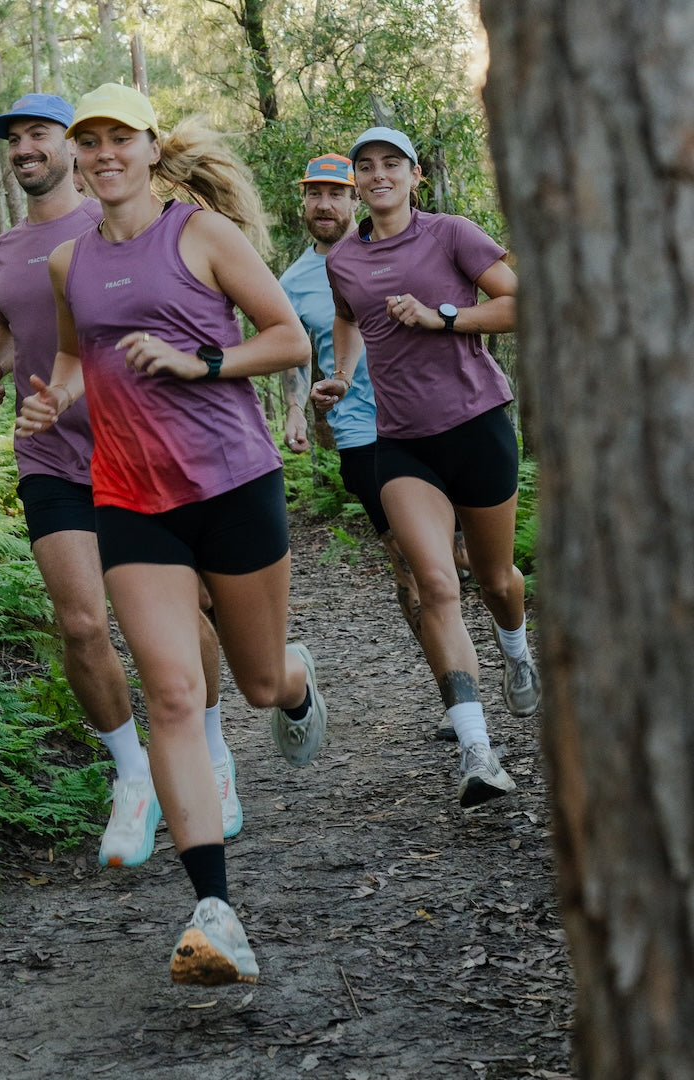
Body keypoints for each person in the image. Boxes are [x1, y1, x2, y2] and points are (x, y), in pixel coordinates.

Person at [16, 84, 323, 985]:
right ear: (77, 159)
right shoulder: (69, 263)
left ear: (152, 148)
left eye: (121, 137)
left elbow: (289, 339)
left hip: (233, 484)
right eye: (90, 141)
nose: (104, 153)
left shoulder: (202, 234)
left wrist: (202, 363)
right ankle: (214, 913)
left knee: (257, 683)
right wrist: (53, 397)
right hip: (129, 499)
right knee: (176, 698)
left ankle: (298, 680)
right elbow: (75, 357)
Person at [0, 93, 239, 869]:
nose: (24, 148)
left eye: (38, 134)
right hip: (51, 453)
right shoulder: (4, 247)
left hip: (141, 450)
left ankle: (212, 754)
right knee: (82, 623)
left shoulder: (120, 219)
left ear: (75, 148)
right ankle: (134, 777)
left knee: (187, 614)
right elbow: (14, 316)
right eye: (13, 139)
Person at [312, 126, 540, 809]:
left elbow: (517, 304)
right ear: (357, 183)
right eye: (366, 166)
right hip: (403, 442)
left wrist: (443, 316)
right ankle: (477, 751)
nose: (378, 174)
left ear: (415, 176)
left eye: (392, 163)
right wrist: (342, 373)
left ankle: (516, 648)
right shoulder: (344, 259)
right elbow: (348, 317)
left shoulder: (451, 234)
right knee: (436, 584)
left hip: (476, 426)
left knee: (495, 579)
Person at [280, 152, 470, 740]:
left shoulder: (407, 244)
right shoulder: (293, 281)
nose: (324, 204)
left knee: (469, 561)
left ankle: (511, 644)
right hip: (366, 433)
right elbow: (294, 353)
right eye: (314, 193)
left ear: (355, 197)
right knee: (411, 564)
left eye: (336, 192)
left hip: (442, 420)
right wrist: (295, 409)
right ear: (303, 202)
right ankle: (458, 701)